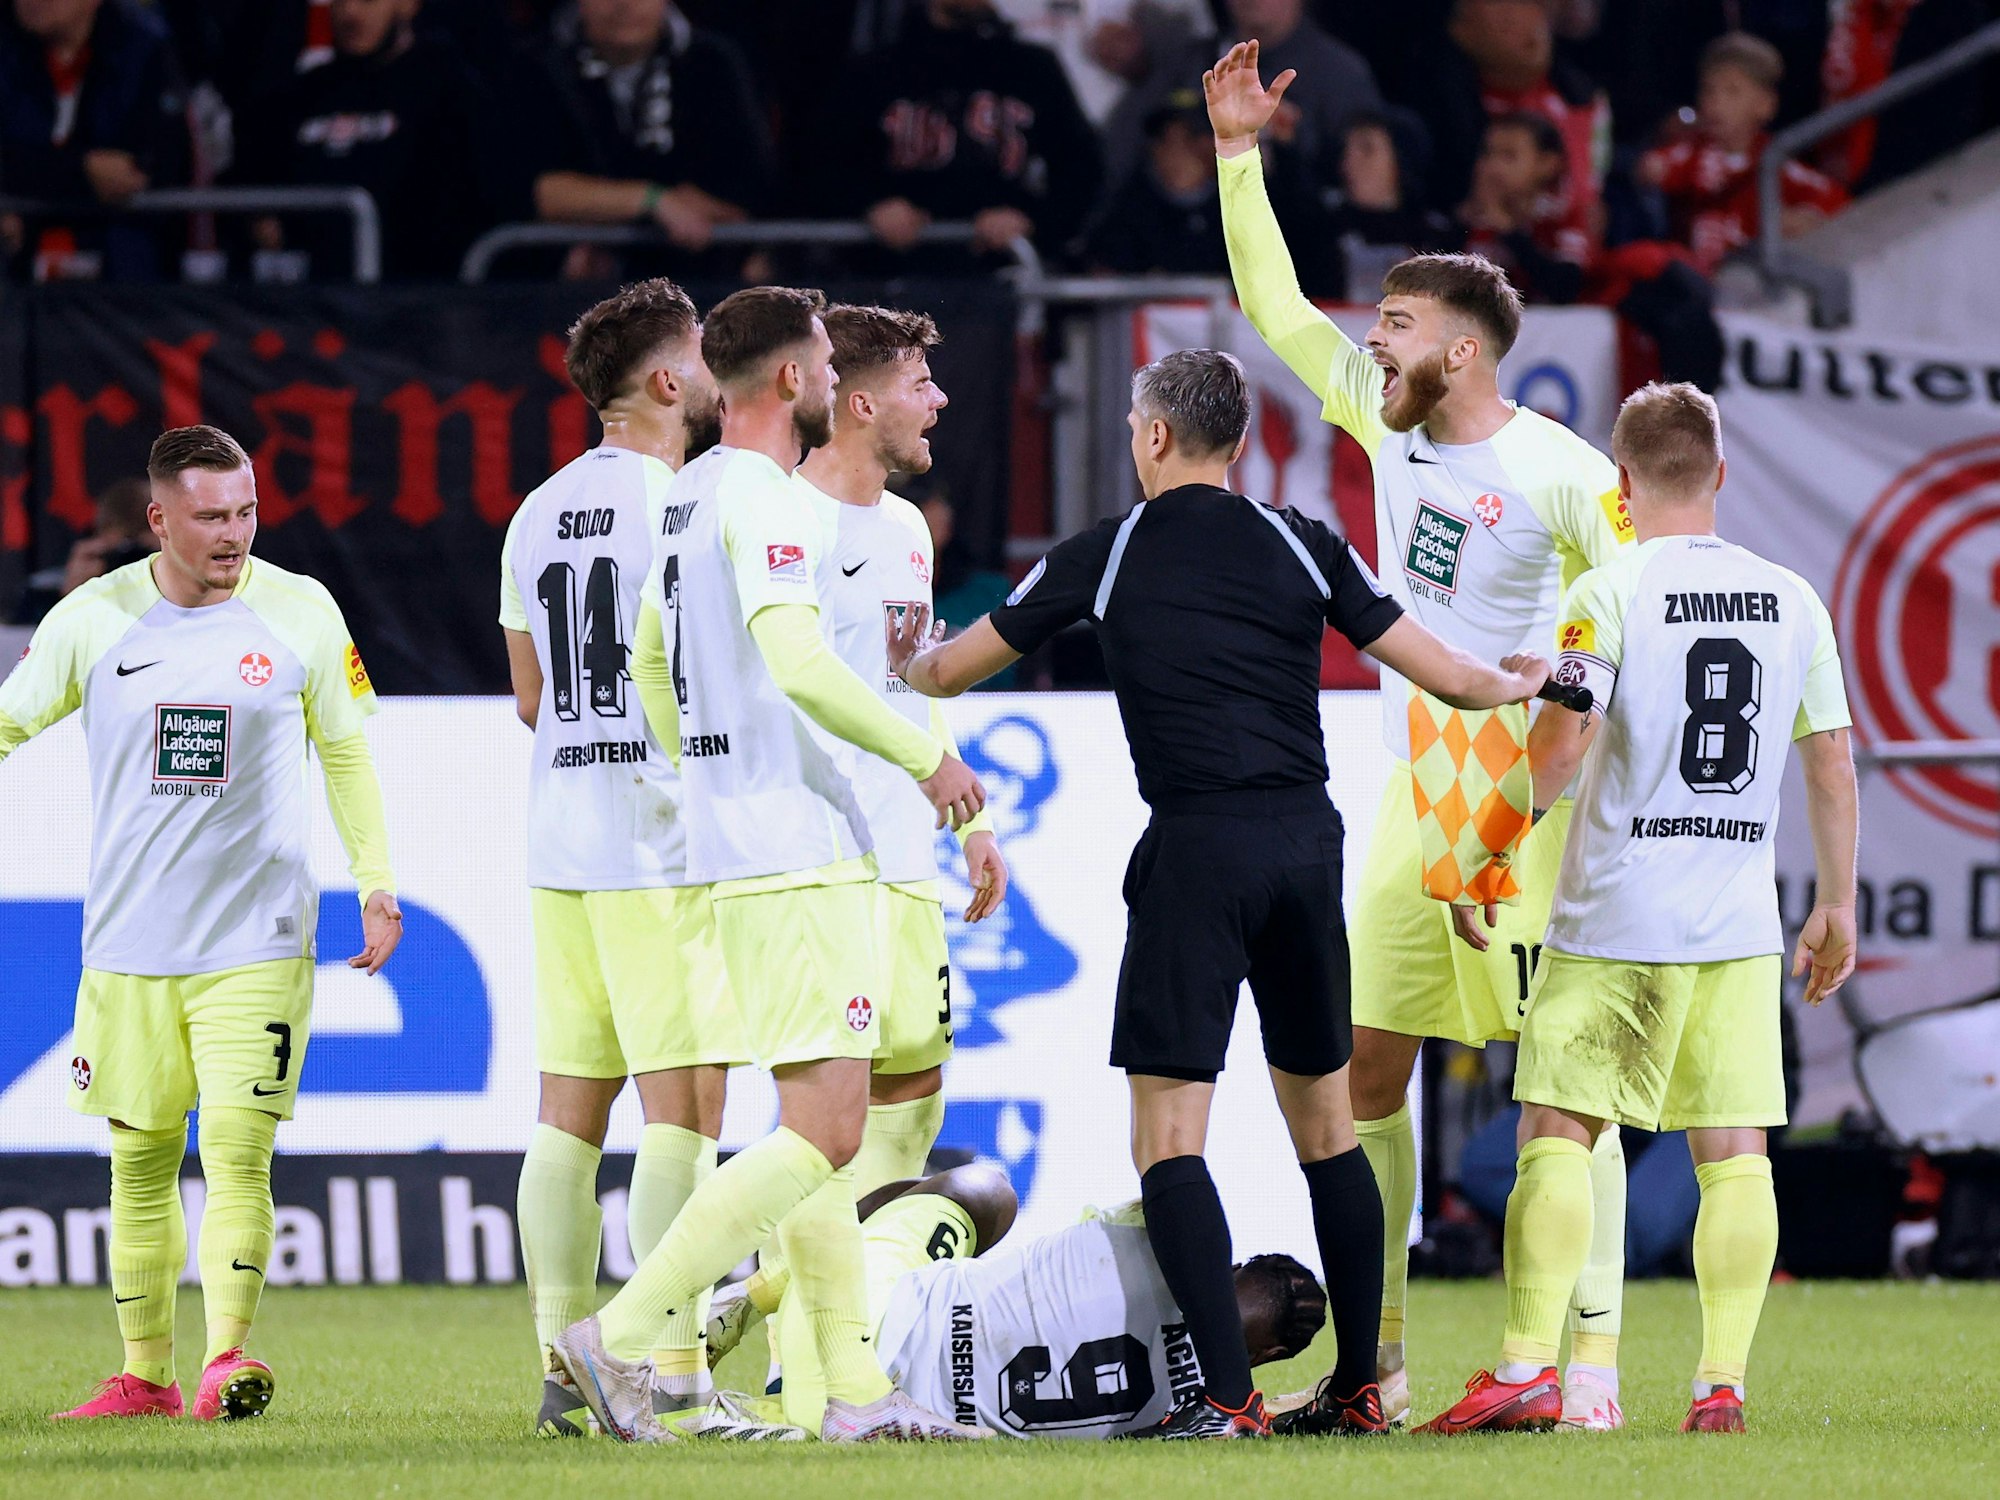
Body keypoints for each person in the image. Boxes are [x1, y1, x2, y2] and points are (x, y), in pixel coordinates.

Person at [887, 346, 1553, 1439]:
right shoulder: (1301, 541)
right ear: (1238, 443)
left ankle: (1226, 1397)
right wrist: (1513, 677)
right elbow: (1444, 673)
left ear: (1151, 437)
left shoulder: (1107, 554)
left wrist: (891, 662)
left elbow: (952, 670)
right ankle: (1355, 1389)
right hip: (1304, 841)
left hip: (1196, 850)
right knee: (1328, 1130)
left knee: (1168, 1138)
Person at [1208, 41, 1634, 1430]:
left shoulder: (1568, 477)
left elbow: (1630, 616)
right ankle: (1377, 1364)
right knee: (1364, 1070)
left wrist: (1567, 694)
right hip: (1418, 791)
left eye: (1392, 323)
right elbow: (1271, 305)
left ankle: (1588, 1372)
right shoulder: (1388, 431)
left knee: (1562, 1092)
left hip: (1536, 794)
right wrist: (1235, 153)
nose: (1368, 339)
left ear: (1459, 347)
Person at [551, 286, 987, 1445]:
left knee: (820, 1132)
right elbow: (796, 661)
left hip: (750, 846)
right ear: (798, 381)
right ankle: (624, 1334)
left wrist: (701, 779)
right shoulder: (763, 499)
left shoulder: (688, 497)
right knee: (824, 1136)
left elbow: (651, 655)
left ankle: (848, 1393)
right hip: (800, 851)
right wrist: (924, 761)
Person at [1421, 381, 1858, 1436]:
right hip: (1738, 928)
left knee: (1557, 1129)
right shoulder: (1792, 597)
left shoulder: (1608, 588)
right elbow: (1829, 762)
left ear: (1619, 484)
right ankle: (1719, 1387)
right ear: (1716, 476)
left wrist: (1486, 849)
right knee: (1734, 1152)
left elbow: (1564, 740)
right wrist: (1834, 902)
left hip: (1614, 914)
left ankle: (1529, 1364)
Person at [0, 424, 401, 1421]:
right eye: (212, 516)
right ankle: (144, 1375)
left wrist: (377, 880)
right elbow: (9, 721)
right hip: (131, 944)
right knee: (136, 1160)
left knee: (234, 1142)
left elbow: (346, 751)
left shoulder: (301, 611)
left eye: (246, 512)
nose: (233, 534)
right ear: (158, 519)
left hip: (257, 939)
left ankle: (229, 1357)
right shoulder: (93, 620)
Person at [496, 278, 745, 1438]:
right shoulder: (687, 504)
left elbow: (530, 697)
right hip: (659, 842)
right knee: (685, 1104)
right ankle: (667, 1363)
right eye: (700, 359)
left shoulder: (534, 510)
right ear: (662, 383)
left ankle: (559, 1358)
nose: (712, 377)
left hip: (559, 837)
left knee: (566, 1113)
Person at [793, 304, 1009, 1206]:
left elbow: (913, 682)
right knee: (820, 1131)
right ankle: (788, 1335)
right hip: (815, 862)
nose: (941, 398)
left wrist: (972, 823)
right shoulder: (782, 520)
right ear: (861, 404)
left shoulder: (908, 529)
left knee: (914, 1096)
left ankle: (848, 1316)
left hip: (906, 861)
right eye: (920, 383)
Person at [715, 1166, 1330, 1440]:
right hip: (835, 1417)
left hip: (849, 1324)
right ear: (1270, 1354)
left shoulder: (1153, 1235)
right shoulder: (1192, 1428)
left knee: (986, 1191)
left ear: (1232, 1265)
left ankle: (758, 1291)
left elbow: (1173, 1185)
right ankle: (775, 1388)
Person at [231, 0, 497, 280]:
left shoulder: (451, 87)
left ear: (407, 5)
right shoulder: (300, 96)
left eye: (368, 0)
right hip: (314, 303)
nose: (351, 12)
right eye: (340, 1)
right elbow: (259, 201)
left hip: (421, 298)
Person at [825, 0, 1102, 261]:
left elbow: (1082, 170)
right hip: (890, 274)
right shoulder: (876, 70)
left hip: (1000, 273)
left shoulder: (1032, 68)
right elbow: (825, 164)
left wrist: (1031, 219)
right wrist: (871, 206)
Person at [513, 0, 775, 259]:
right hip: (567, 286)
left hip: (698, 277)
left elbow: (744, 188)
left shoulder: (714, 62)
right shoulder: (537, 65)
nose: (625, 4)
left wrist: (603, 212)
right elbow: (536, 191)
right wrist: (652, 200)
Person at [0, 0, 190, 281]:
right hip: (18, 278)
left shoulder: (144, 50)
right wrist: (82, 170)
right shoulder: (7, 52)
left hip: (122, 279)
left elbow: (153, 163)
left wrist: (33, 176)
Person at [1636, 32, 1846, 278]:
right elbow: (1659, 165)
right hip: (1693, 281)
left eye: (1732, 92)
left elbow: (1833, 196)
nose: (1716, 103)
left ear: (1765, 105)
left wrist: (1807, 215)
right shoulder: (1695, 151)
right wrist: (1651, 168)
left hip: (1750, 284)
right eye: (1708, 91)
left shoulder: (1772, 159)